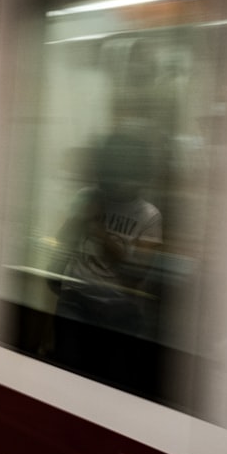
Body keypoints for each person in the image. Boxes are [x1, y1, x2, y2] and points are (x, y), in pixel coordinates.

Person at [49, 131, 163, 391]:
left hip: (118, 311)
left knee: (109, 384)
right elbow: (62, 238)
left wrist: (99, 230)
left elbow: (136, 274)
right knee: (67, 378)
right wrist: (55, 272)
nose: (115, 183)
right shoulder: (87, 196)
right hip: (76, 300)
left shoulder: (149, 215)